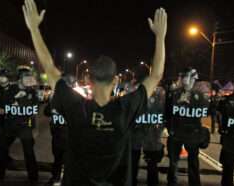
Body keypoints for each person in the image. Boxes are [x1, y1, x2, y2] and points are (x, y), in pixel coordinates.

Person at [22, 0, 167, 185]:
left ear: (89, 80)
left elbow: (49, 68)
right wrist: (160, 37)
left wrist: (34, 28)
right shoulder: (126, 108)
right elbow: (156, 75)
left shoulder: (75, 106)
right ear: (115, 80)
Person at [0, 66, 40, 186]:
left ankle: (33, 178)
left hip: (25, 126)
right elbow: (1, 105)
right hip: (10, 125)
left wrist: (34, 128)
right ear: (20, 79)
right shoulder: (11, 89)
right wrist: (15, 98)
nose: (29, 80)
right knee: (2, 149)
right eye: (26, 78)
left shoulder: (32, 92)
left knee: (29, 152)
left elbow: (35, 110)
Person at [166, 68, 210, 186]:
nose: (185, 80)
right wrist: (169, 128)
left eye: (188, 77)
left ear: (194, 79)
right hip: (176, 132)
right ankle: (172, 183)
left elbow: (206, 115)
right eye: (184, 77)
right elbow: (168, 112)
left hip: (193, 134)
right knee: (173, 162)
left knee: (193, 163)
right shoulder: (174, 94)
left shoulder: (200, 96)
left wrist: (203, 133)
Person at [132, 86, 166, 186]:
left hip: (149, 133)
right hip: (140, 133)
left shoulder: (157, 97)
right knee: (136, 162)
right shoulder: (137, 95)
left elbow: (161, 113)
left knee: (149, 163)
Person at [0, 69, 15, 170]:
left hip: (8, 121)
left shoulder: (14, 90)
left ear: (7, 78)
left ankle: (0, 168)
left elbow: (17, 105)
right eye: (0, 77)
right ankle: (5, 158)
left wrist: (6, 110)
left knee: (2, 144)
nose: (0, 78)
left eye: (3, 76)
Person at [44, 93, 68, 185]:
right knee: (59, 159)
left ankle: (58, 178)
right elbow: (46, 112)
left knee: (60, 159)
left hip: (63, 136)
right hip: (59, 136)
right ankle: (56, 178)